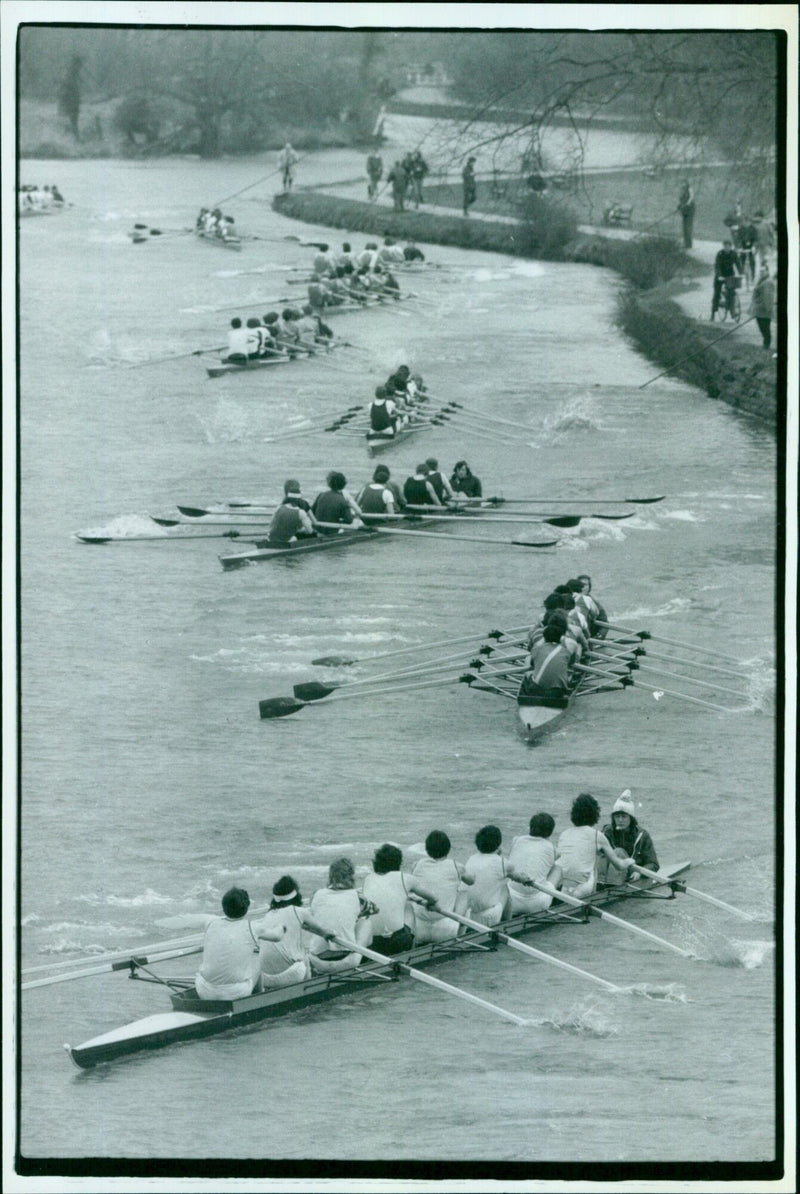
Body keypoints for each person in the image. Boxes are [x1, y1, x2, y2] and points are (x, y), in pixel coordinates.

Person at [195, 887, 283, 1001]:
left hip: (204, 991)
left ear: (223, 907)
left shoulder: (210, 922)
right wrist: (282, 924)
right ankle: (259, 998)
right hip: (235, 993)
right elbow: (277, 936)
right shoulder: (253, 927)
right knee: (257, 959)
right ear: (246, 908)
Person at [256, 875, 338, 987]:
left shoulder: (268, 915)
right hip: (290, 975)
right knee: (304, 956)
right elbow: (326, 932)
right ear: (296, 896)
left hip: (265, 978)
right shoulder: (300, 912)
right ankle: (309, 988)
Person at [361, 844, 437, 955]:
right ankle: (411, 951)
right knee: (408, 906)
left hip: (373, 944)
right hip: (398, 943)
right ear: (398, 862)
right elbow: (433, 898)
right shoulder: (405, 878)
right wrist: (428, 903)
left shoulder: (368, 878)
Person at [555, 793, 633, 899]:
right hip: (583, 890)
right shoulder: (597, 835)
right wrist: (630, 861)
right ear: (594, 814)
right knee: (595, 861)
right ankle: (594, 896)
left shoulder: (564, 834)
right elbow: (619, 865)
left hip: (563, 889)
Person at [308, 858, 374, 973]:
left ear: (330, 876)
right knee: (366, 921)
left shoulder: (316, 895)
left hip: (317, 961)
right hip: (348, 961)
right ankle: (365, 959)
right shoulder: (358, 897)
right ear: (351, 876)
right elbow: (374, 909)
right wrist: (358, 915)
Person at [410, 831, 473, 944]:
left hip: (418, 928)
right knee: (464, 895)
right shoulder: (456, 866)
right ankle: (459, 941)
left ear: (427, 850)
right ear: (448, 849)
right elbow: (471, 881)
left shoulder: (416, 865)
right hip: (446, 929)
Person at [506, 813, 563, 915]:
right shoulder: (550, 847)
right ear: (550, 833)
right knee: (557, 868)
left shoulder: (516, 840)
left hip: (511, 901)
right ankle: (555, 897)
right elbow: (559, 855)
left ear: (530, 827)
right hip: (537, 904)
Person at [598, 791, 659, 886]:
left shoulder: (642, 835)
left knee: (618, 852)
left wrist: (640, 873)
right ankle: (599, 883)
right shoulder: (607, 832)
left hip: (632, 874)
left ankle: (612, 887)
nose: (620, 820)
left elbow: (653, 864)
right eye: (617, 816)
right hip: (608, 874)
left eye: (624, 817)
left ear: (631, 819)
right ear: (613, 818)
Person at [463, 825, 509, 926]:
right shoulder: (502, 862)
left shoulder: (472, 858)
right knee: (505, 887)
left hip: (468, 916)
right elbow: (519, 877)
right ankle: (508, 924)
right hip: (489, 918)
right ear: (498, 845)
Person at [518, 622, 577, 699]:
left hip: (536, 690)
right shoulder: (566, 651)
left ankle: (529, 689)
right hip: (557, 692)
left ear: (544, 637)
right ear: (560, 638)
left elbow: (532, 665)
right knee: (568, 670)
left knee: (528, 658)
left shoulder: (537, 648)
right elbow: (571, 664)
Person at [267, 480, 316, 545]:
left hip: (270, 538)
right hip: (286, 542)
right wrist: (301, 529)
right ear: (299, 500)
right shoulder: (301, 512)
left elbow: (271, 525)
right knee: (296, 538)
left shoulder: (279, 507)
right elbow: (310, 531)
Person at [711, 239, 741, 320]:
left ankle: (733, 312)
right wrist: (719, 275)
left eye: (728, 246)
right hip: (720, 275)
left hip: (730, 275)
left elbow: (738, 263)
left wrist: (741, 273)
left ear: (731, 247)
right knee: (716, 293)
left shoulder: (733, 254)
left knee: (732, 292)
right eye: (725, 246)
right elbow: (717, 266)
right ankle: (713, 313)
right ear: (723, 247)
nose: (727, 248)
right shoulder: (720, 254)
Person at [749, 264, 776, 349]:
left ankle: (766, 345)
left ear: (767, 271)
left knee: (765, 328)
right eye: (760, 271)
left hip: (764, 310)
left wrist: (768, 310)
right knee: (762, 328)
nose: (761, 272)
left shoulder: (768, 282)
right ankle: (766, 344)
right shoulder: (761, 280)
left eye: (763, 271)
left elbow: (768, 297)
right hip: (759, 310)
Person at [677, 180, 695, 249]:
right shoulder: (682, 191)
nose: (682, 185)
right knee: (684, 226)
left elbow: (691, 197)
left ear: (686, 183)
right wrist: (680, 205)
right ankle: (686, 243)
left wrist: (687, 204)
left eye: (684, 183)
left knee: (688, 226)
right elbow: (681, 200)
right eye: (682, 183)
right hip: (684, 211)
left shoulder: (689, 189)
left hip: (689, 210)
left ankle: (689, 244)